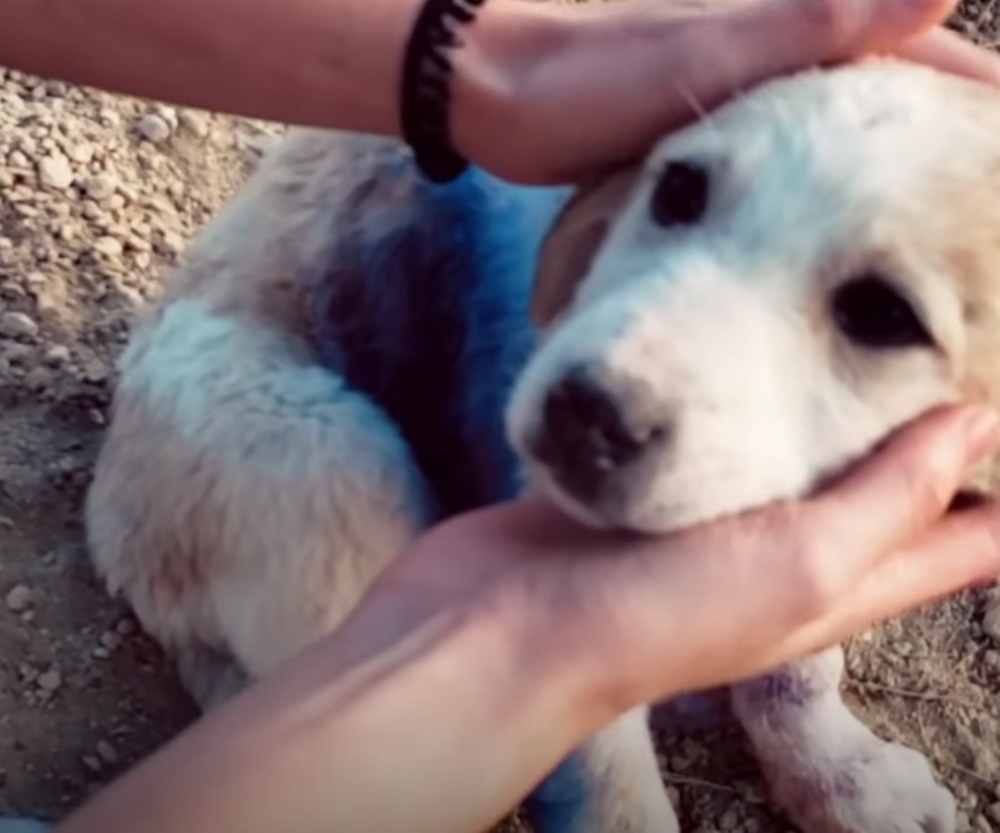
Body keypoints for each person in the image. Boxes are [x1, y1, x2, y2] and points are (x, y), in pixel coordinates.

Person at [0, 0, 999, 831]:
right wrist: (539, 674)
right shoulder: (606, 182)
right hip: (247, 439)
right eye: (684, 193)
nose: (623, 362)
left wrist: (804, 723)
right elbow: (572, 591)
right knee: (324, 481)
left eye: (878, 312)